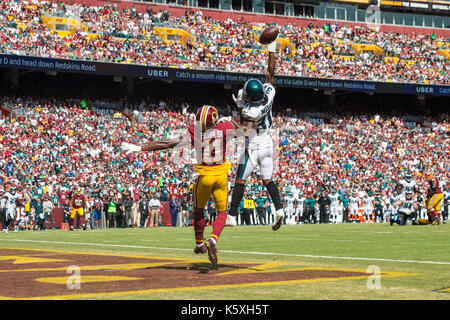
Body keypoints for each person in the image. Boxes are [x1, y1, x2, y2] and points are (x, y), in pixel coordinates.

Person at [122, 105, 237, 264]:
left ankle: (198, 244)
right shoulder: (224, 127)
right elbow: (246, 126)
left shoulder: (195, 130)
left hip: (204, 176)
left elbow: (167, 143)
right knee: (222, 212)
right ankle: (213, 240)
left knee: (198, 210)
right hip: (221, 175)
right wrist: (230, 119)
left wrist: (140, 148)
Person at [227, 37, 285, 231]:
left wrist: (235, 112)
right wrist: (271, 50)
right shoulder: (268, 92)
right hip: (268, 142)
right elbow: (270, 72)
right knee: (268, 180)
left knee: (240, 180)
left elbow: (244, 130)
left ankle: (232, 216)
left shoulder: (251, 111)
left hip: (254, 145)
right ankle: (279, 210)